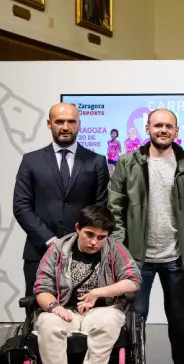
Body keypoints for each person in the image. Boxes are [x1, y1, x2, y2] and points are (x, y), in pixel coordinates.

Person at [108, 108, 184, 364]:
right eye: (157, 125)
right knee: (135, 317)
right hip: (137, 259)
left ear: (177, 131)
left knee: (178, 317)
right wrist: (120, 250)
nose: (163, 130)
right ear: (148, 129)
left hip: (177, 257)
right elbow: (115, 209)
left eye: (169, 126)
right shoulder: (128, 163)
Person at [32, 204, 140, 364]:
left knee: (111, 319)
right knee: (47, 322)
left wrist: (98, 292)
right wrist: (54, 307)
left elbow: (133, 280)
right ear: (78, 228)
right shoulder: (58, 249)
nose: (94, 242)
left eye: (101, 237)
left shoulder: (114, 249)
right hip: (65, 310)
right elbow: (41, 289)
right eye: (89, 234)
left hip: (100, 311)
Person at [13, 103, 109, 296]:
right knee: (36, 312)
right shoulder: (31, 161)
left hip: (85, 253)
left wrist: (83, 239)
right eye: (59, 121)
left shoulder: (97, 161)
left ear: (79, 124)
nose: (65, 127)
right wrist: (50, 240)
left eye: (71, 121)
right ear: (49, 124)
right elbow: (21, 206)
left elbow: (101, 208)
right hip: (39, 250)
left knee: (82, 312)